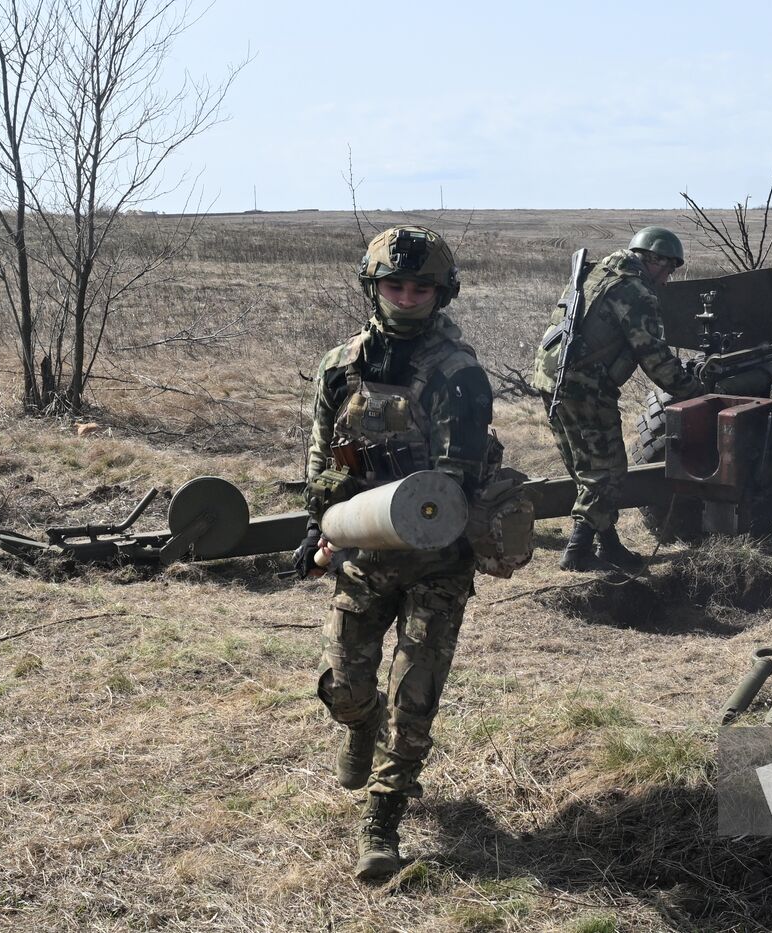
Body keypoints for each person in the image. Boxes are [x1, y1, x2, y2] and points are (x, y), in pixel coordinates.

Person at [294, 225, 495, 880]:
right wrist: (314, 524)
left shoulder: (458, 375)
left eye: (421, 287)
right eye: (394, 285)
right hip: (360, 552)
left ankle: (381, 821)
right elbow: (321, 457)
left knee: (413, 706)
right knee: (346, 690)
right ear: (373, 286)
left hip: (436, 559)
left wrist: (392, 485)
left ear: (441, 294)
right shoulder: (338, 368)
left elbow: (454, 480)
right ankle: (359, 721)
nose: (407, 298)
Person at [532, 226, 703, 571]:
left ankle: (609, 546)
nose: (668, 280)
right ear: (652, 259)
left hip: (551, 379)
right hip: (584, 386)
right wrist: (696, 391)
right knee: (607, 473)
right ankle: (577, 552)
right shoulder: (635, 291)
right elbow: (655, 359)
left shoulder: (599, 272)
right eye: (668, 269)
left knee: (587, 468)